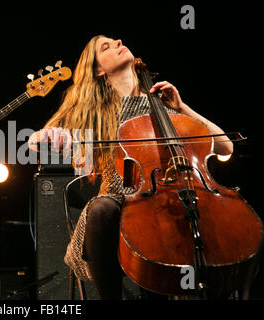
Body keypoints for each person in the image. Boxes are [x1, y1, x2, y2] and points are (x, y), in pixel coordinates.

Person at [28, 35, 233, 299]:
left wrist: (182, 108)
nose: (117, 42)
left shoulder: (161, 100)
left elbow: (226, 146)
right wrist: (50, 136)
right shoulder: (94, 110)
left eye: (115, 40)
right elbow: (34, 142)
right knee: (101, 208)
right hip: (118, 201)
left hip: (169, 200)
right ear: (99, 70)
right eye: (106, 46)